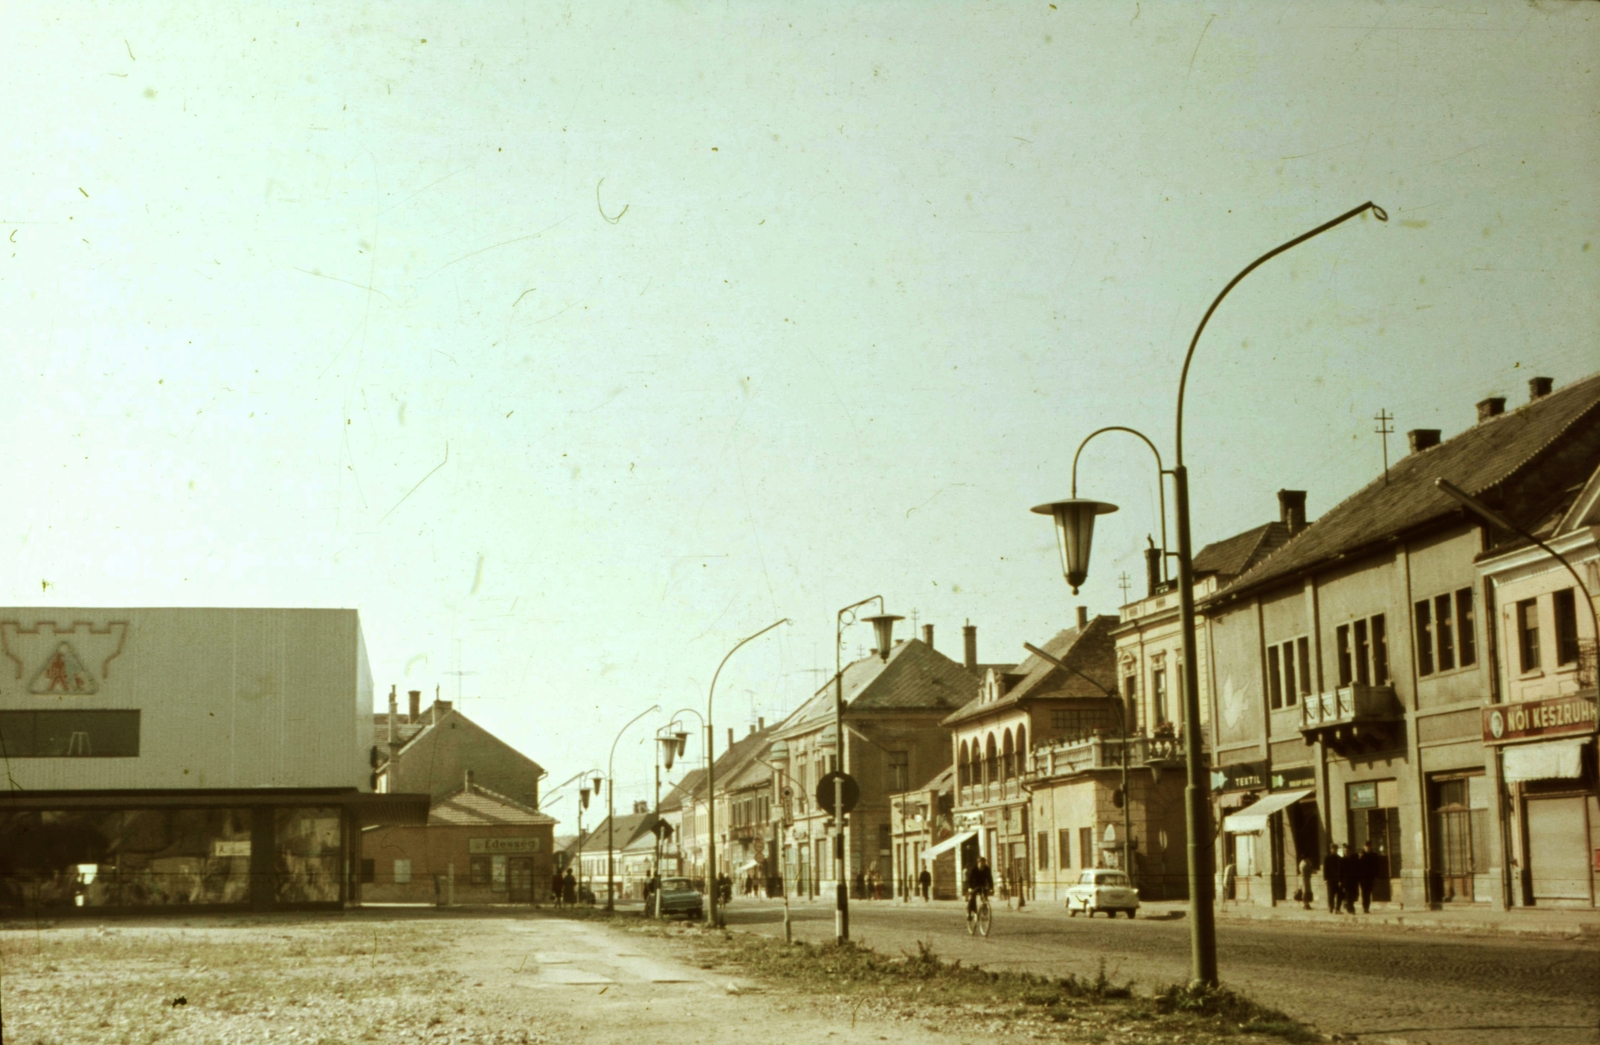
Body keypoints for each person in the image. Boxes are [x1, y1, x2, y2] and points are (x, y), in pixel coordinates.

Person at [1355, 842, 1381, 913]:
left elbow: (1377, 867)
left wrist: (1376, 876)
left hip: (1370, 877)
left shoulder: (1374, 855)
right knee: (1364, 893)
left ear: (1371, 847)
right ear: (1364, 847)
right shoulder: (1361, 855)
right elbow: (1357, 866)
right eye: (1366, 846)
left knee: (1368, 892)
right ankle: (1365, 907)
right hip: (1362, 878)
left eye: (1369, 846)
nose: (1368, 848)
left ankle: (1367, 907)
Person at [1322, 845, 1343, 913]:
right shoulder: (1327, 858)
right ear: (1331, 849)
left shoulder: (1339, 858)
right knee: (1331, 895)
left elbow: (1341, 870)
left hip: (1338, 880)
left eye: (1335, 849)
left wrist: (1340, 880)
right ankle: (1331, 907)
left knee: (1339, 895)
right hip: (1330, 880)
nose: (1334, 850)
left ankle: (1338, 909)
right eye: (1333, 849)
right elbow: (1325, 869)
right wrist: (1325, 878)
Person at [1338, 845, 1359, 914]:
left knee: (1354, 895)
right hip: (1346, 881)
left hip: (1354, 881)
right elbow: (1340, 871)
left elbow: (1357, 869)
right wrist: (1340, 880)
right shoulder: (1342, 860)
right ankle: (1351, 909)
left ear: (1350, 852)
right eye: (1345, 851)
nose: (1347, 852)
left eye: (1348, 851)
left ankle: (1348, 905)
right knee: (1349, 895)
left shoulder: (1354, 859)